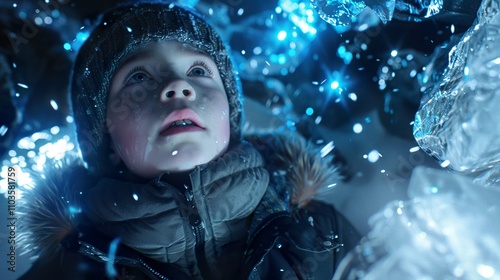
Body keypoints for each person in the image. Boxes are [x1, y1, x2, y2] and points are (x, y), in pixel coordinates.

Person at [18, 2, 360, 279]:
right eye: (138, 77)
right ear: (106, 140)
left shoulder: (321, 233)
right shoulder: (66, 270)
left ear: (230, 113)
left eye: (198, 71)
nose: (178, 86)